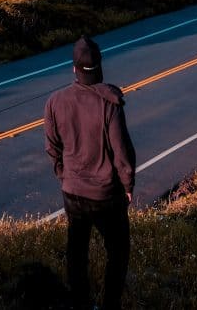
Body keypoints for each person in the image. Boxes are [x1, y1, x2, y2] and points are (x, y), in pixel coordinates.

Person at [44, 35, 136, 310]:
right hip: (106, 195)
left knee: (77, 250)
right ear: (99, 67)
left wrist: (64, 174)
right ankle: (110, 304)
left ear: (74, 68)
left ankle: (80, 303)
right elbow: (122, 152)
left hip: (72, 192)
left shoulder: (55, 102)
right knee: (118, 251)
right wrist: (128, 184)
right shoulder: (109, 103)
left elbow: (52, 147)